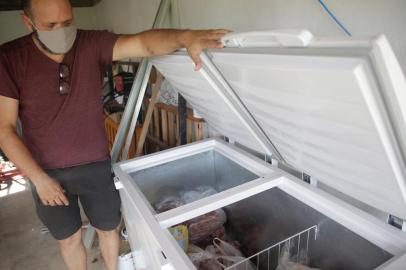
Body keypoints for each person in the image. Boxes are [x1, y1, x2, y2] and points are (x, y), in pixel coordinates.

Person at [0, 0, 230, 269]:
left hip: (95, 165)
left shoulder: (90, 43)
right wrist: (38, 179)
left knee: (109, 229)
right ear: (28, 22)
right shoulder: (10, 58)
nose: (61, 31)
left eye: (67, 22)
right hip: (46, 173)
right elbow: (4, 129)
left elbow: (143, 43)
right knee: (68, 239)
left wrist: (184, 37)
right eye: (51, 25)